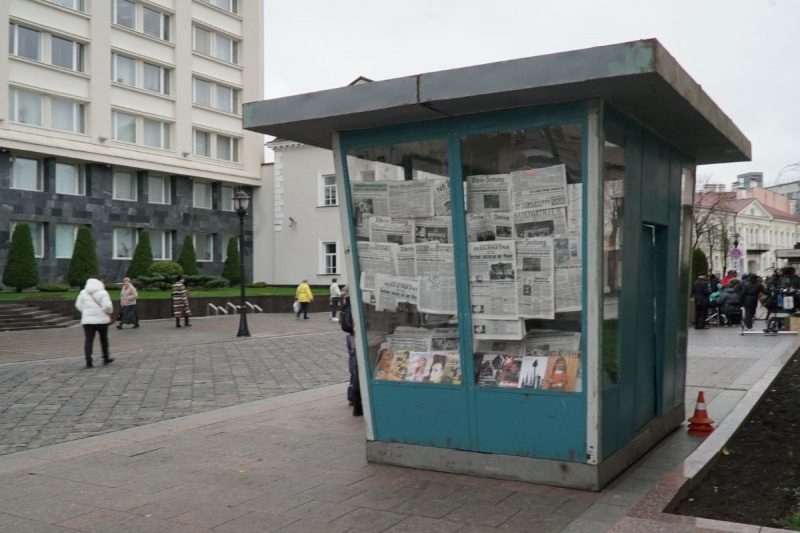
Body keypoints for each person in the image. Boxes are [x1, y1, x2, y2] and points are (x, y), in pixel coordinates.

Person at [75, 278, 114, 368]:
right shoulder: (103, 292)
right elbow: (107, 306)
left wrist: (85, 312)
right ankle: (106, 357)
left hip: (87, 321)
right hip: (102, 320)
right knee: (103, 339)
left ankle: (88, 361)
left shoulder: (83, 292)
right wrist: (108, 311)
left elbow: (78, 305)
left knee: (89, 340)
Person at [340, 286, 362, 416]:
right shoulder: (351, 296)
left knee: (354, 367)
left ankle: (352, 397)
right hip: (355, 337)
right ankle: (354, 398)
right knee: (357, 367)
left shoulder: (347, 293)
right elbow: (348, 324)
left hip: (351, 337)